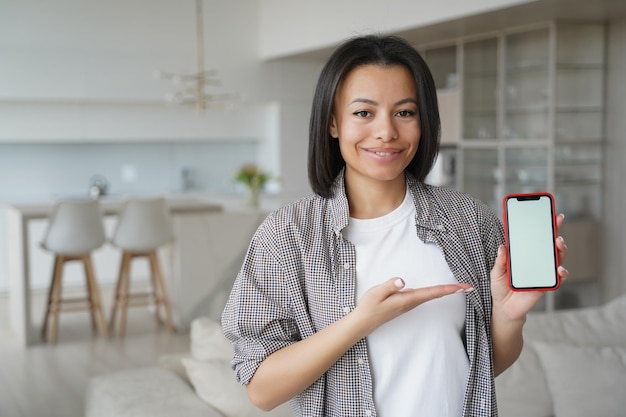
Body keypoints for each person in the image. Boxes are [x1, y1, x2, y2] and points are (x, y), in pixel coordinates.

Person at [221, 34, 568, 417]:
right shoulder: (288, 233)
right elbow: (260, 389)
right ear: (333, 123)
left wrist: (509, 316)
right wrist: (360, 322)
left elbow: (483, 370)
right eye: (363, 113)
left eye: (405, 112)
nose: (386, 132)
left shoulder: (470, 220)